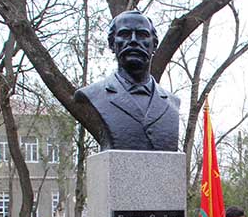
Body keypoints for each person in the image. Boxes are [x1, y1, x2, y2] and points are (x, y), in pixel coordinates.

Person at [73, 9, 180, 151]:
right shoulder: (94, 95)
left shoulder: (172, 103)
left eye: (142, 35)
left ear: (154, 45)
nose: (134, 41)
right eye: (125, 34)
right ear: (112, 44)